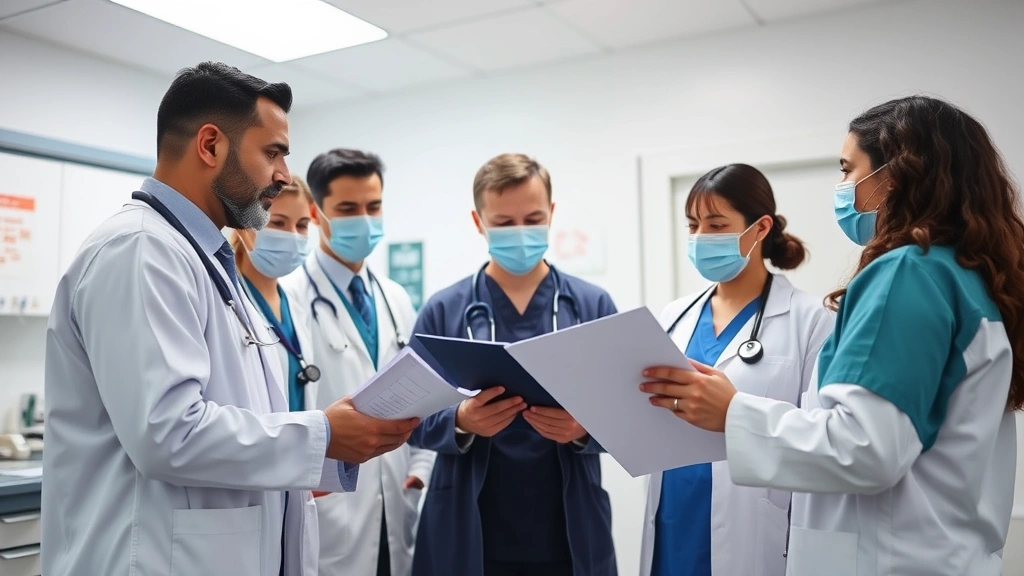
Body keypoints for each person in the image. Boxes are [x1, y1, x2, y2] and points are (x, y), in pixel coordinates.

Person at [41, 62, 419, 576]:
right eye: (273, 153)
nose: (283, 175)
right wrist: (322, 434)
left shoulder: (204, 258)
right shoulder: (140, 250)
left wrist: (329, 446)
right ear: (210, 145)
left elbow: (242, 419)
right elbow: (168, 434)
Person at [641, 96, 1024, 576]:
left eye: (848, 170)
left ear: (895, 175)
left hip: (888, 560)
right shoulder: (969, 278)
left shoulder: (908, 274)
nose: (842, 188)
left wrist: (735, 412)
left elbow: (865, 448)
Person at [408, 153, 619, 576]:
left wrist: (584, 429)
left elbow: (628, 415)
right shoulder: (444, 310)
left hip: (566, 533)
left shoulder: (592, 306)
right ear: (478, 221)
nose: (520, 231)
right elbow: (407, 414)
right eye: (504, 222)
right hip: (469, 529)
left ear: (551, 213)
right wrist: (460, 421)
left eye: (533, 218)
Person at [639, 164, 834, 576]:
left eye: (716, 225)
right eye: (693, 225)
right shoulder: (675, 315)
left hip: (752, 526)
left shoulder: (811, 319)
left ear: (760, 228)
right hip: (674, 514)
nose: (700, 238)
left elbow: (821, 435)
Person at [282, 148, 435, 576]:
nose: (364, 220)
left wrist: (421, 468)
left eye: (373, 207)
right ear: (317, 213)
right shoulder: (289, 296)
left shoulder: (395, 297)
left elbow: (421, 392)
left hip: (395, 503)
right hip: (330, 514)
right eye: (348, 209)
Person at [232, 175, 318, 412]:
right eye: (278, 223)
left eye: (302, 225)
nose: (293, 235)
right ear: (243, 226)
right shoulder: (226, 300)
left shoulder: (296, 303)